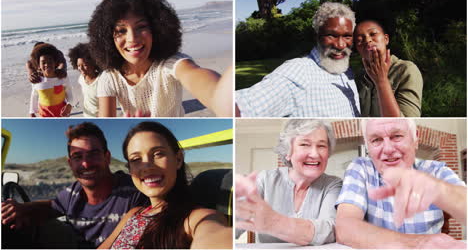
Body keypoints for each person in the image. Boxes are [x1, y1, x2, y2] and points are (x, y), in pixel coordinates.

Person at [88, 0, 232, 117]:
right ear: (107, 38)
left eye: (141, 26)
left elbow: (196, 77)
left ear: (157, 29)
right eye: (121, 30)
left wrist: (221, 98)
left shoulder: (170, 64)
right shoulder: (110, 78)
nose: (132, 39)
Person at [1, 122, 148, 247]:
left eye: (93, 154)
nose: (86, 163)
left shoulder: (134, 192)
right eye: (78, 156)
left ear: (107, 157)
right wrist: (21, 209)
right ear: (70, 163)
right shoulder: (72, 194)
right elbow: (51, 206)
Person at [98, 121, 232, 249]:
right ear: (130, 169)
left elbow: (212, 234)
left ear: (178, 159)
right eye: (136, 159)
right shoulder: (133, 213)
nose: (147, 166)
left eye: (158, 154)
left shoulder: (195, 219)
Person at [335, 119, 466, 248]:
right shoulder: (361, 168)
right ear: (367, 145)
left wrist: (441, 190)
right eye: (376, 140)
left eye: (396, 136)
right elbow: (345, 227)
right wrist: (418, 243)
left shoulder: (435, 170)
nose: (388, 149)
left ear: (415, 139)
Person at [235, 2, 360, 117]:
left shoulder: (345, 70)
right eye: (331, 35)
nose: (340, 45)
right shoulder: (297, 74)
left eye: (347, 36)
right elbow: (243, 108)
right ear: (315, 36)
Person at [236, 120, 342, 245]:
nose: (315, 154)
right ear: (288, 152)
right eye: (304, 144)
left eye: (321, 146)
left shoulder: (333, 185)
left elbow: (330, 230)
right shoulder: (265, 180)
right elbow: (234, 223)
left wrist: (273, 222)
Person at [354, 20, 423, 117]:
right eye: (360, 40)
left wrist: (381, 81)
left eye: (373, 34)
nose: (367, 40)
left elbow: (407, 125)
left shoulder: (406, 70)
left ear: (386, 39)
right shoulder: (358, 78)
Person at [28, 43, 73, 117]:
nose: (47, 64)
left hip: (62, 112)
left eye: (50, 61)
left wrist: (69, 105)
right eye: (43, 62)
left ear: (55, 63)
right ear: (38, 66)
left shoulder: (62, 76)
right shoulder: (37, 79)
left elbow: (69, 92)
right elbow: (34, 95)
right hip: (44, 113)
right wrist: (32, 111)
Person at [68, 43, 102, 117]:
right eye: (79, 65)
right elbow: (79, 94)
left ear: (94, 63)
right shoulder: (81, 78)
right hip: (86, 115)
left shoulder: (101, 81)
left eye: (85, 65)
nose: (81, 68)